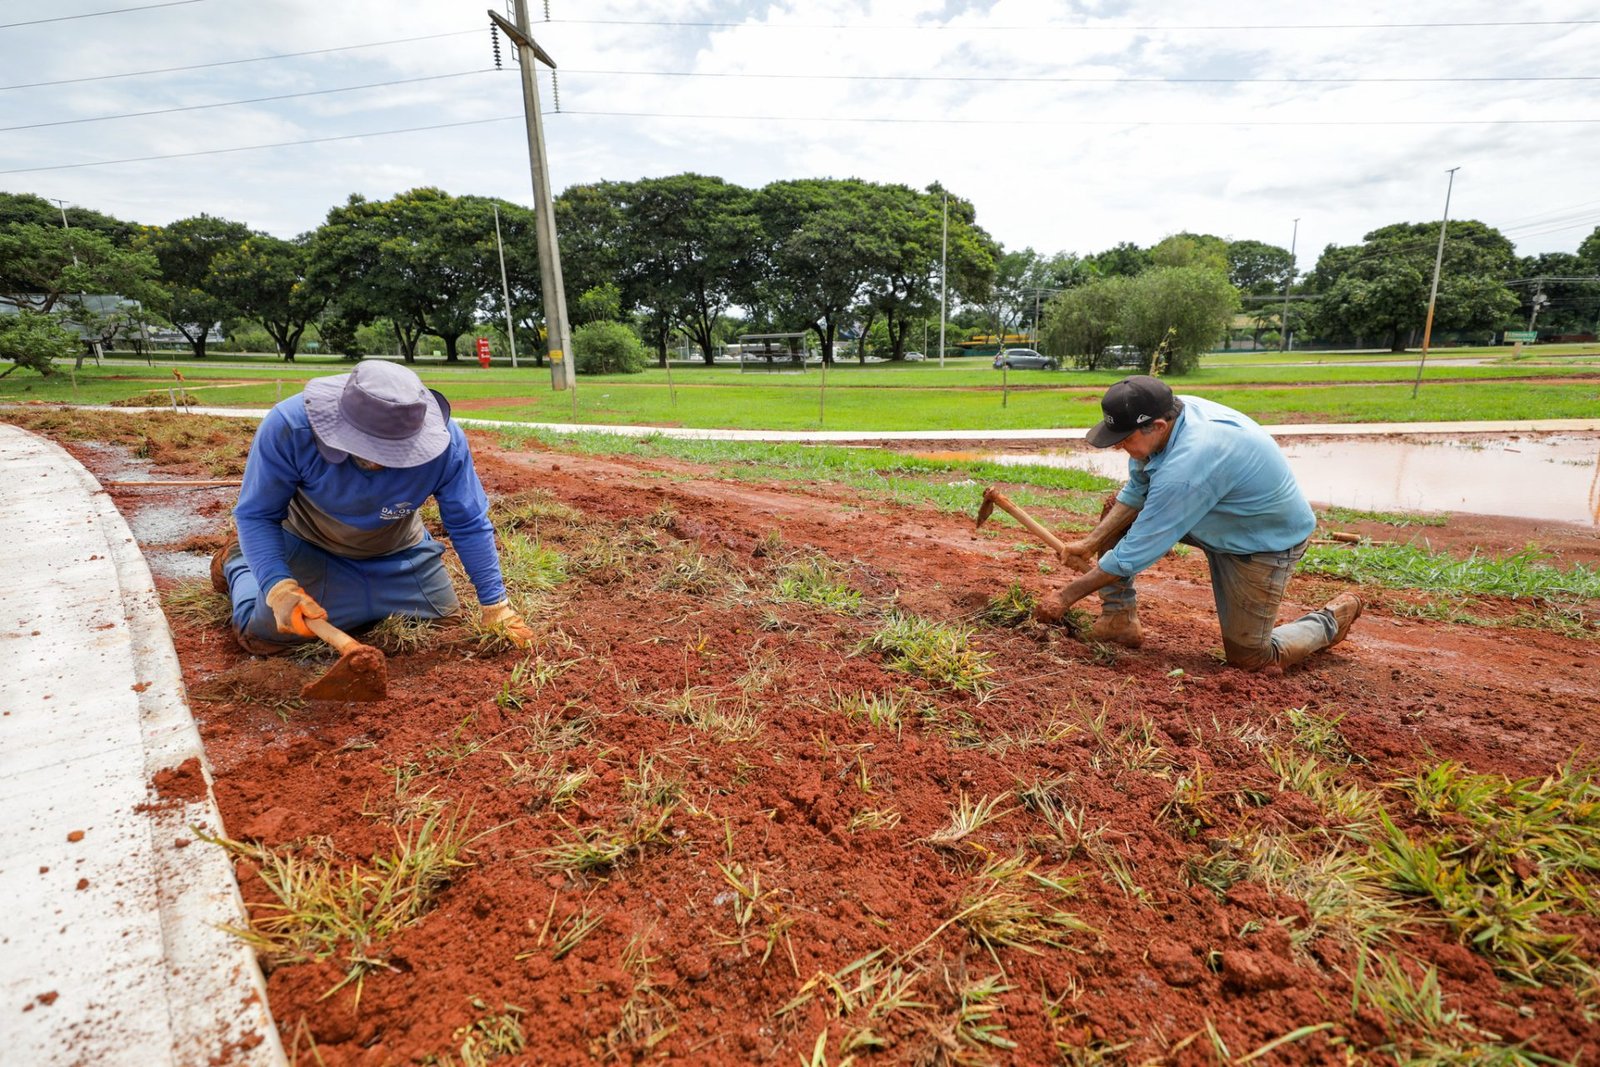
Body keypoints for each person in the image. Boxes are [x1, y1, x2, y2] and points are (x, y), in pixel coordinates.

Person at [1034, 375, 1361, 670]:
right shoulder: (1168, 417)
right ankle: (1118, 620)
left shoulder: (1188, 465)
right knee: (1115, 509)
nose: (1117, 445)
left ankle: (1329, 621)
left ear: (1158, 426)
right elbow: (1137, 490)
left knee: (1251, 657)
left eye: (1123, 437)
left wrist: (1063, 597)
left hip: (1262, 543)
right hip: (1214, 517)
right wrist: (1090, 543)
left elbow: (1136, 550)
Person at [211, 359, 534, 655]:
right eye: (370, 447)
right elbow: (258, 514)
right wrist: (277, 585)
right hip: (311, 544)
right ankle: (241, 563)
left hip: (398, 550)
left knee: (442, 623)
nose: (380, 462)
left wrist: (495, 604)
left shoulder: (447, 444)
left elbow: (468, 523)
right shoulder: (290, 428)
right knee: (268, 638)